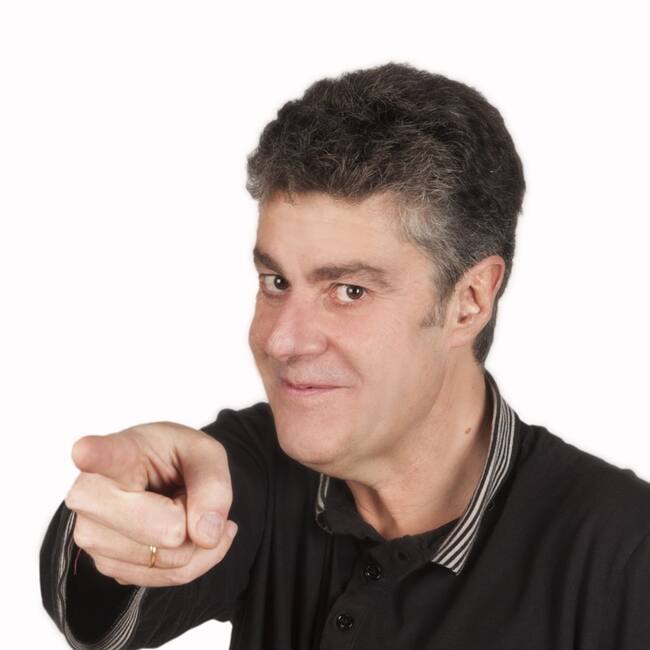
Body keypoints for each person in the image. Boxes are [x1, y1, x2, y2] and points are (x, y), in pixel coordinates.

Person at [40, 62, 650, 649]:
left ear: (469, 301)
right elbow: (107, 592)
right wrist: (123, 521)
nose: (282, 340)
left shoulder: (623, 552)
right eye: (276, 282)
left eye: (349, 291)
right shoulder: (256, 468)